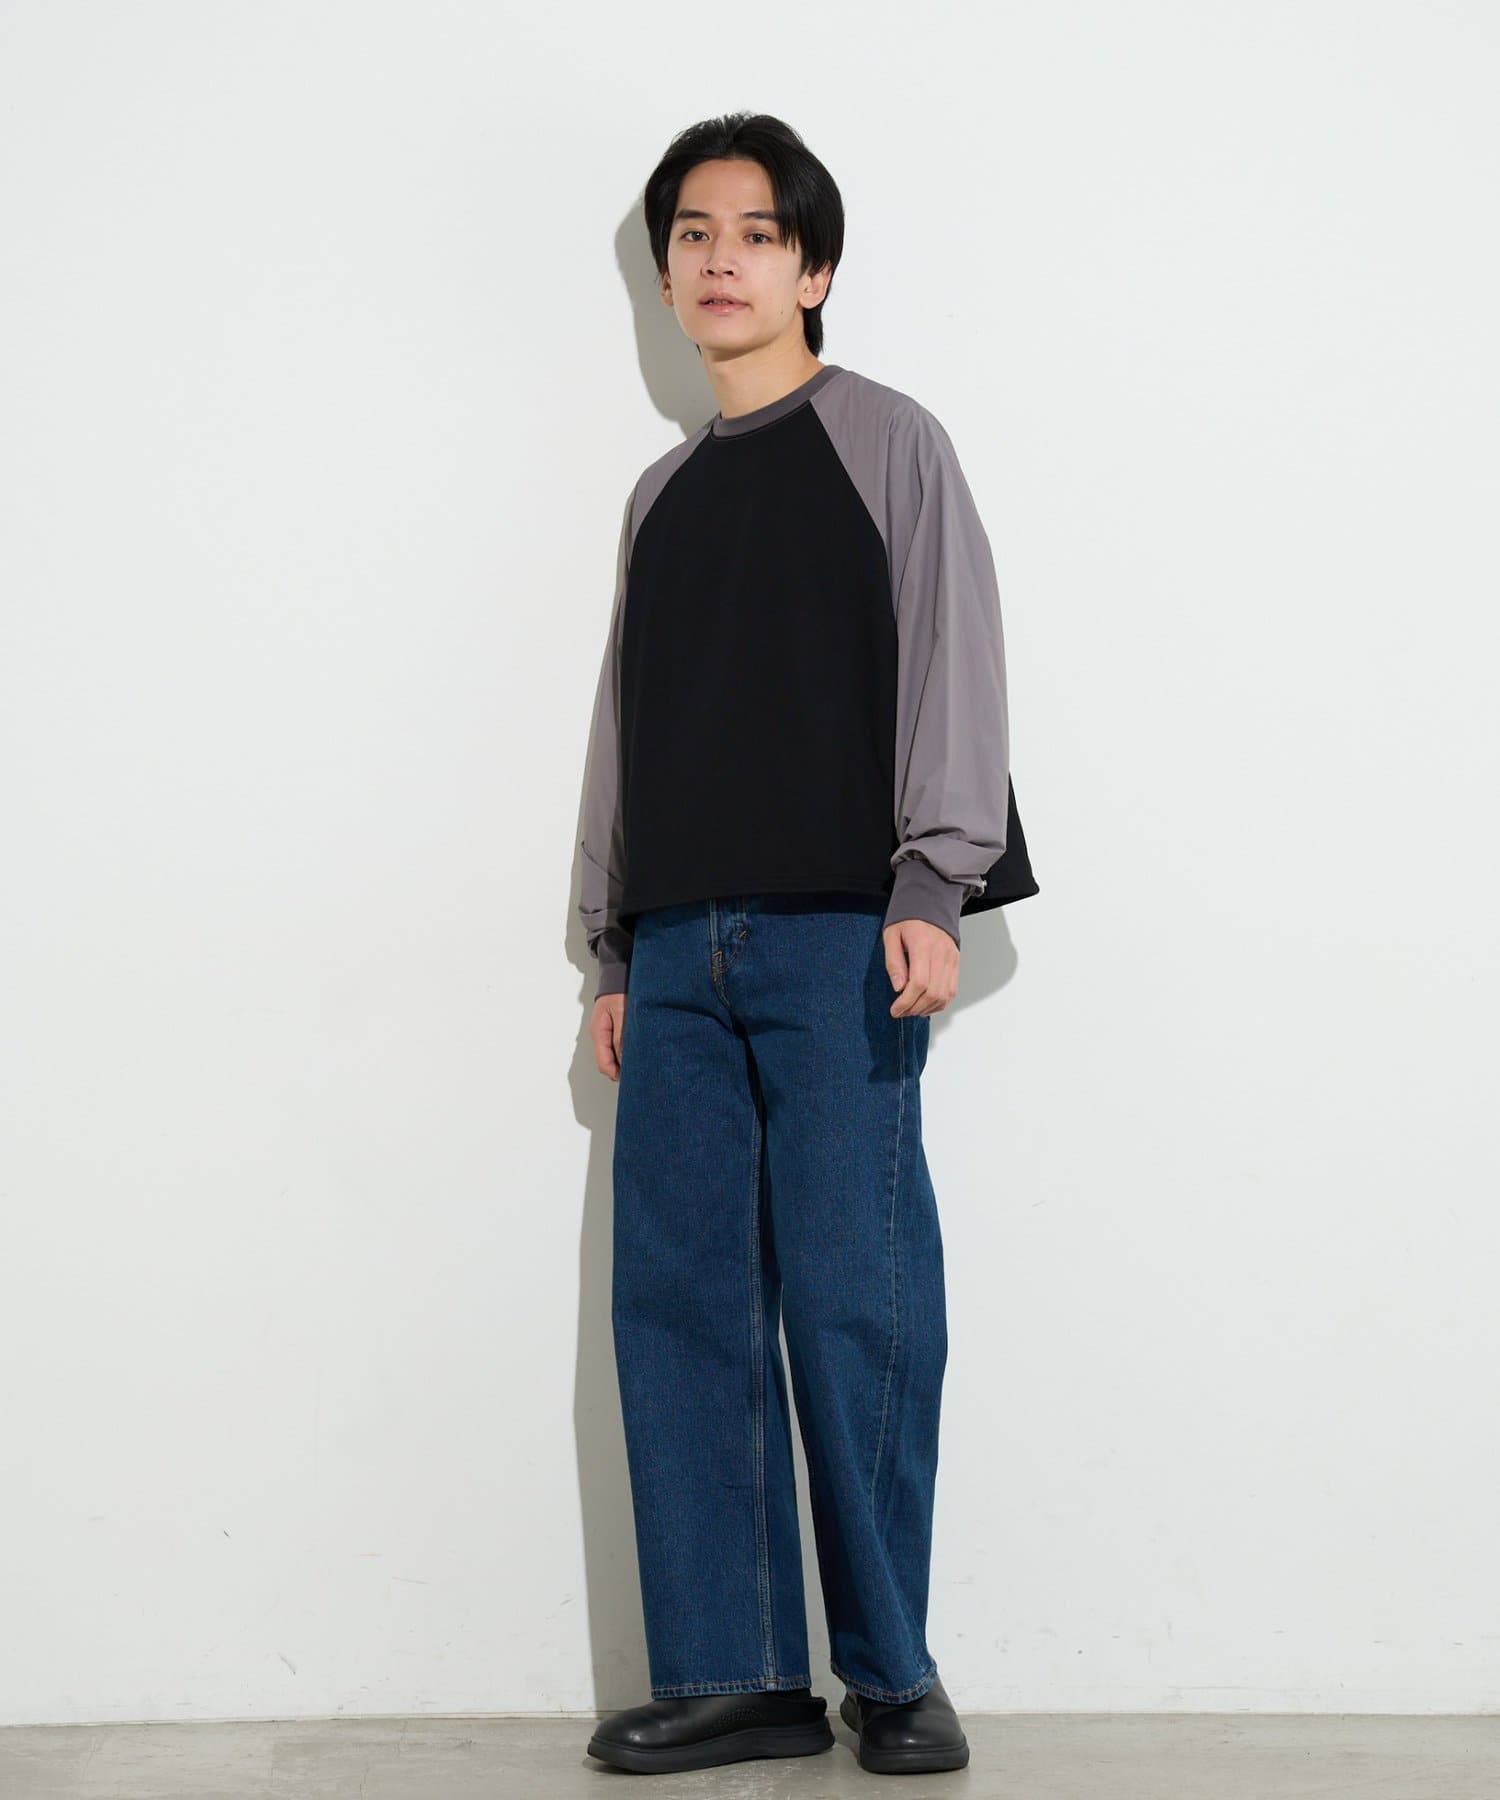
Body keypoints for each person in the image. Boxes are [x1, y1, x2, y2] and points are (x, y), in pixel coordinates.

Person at [576, 112, 1038, 1779]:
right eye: (692, 236)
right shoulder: (661, 496)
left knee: (858, 1304)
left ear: (814, 269)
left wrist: (934, 882)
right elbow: (628, 728)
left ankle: (894, 1674)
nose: (721, 261)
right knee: (681, 1304)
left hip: (841, 938)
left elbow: (955, 658)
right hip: (677, 955)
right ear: (667, 274)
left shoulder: (890, 443)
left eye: (757, 233)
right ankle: (736, 1673)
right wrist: (611, 947)